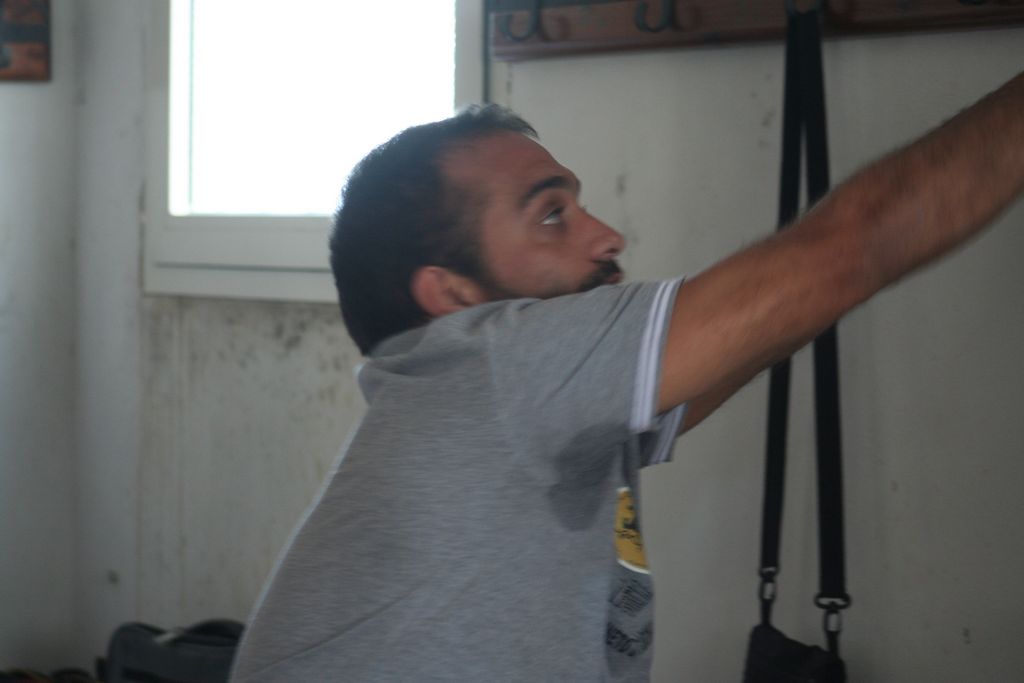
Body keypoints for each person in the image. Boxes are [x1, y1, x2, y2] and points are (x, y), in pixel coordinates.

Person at [230, 72, 1023, 681]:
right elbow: (853, 248)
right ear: (454, 295)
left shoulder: (523, 408)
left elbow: (779, 318)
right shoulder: (491, 363)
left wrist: (816, 281)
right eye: (552, 214)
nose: (607, 235)